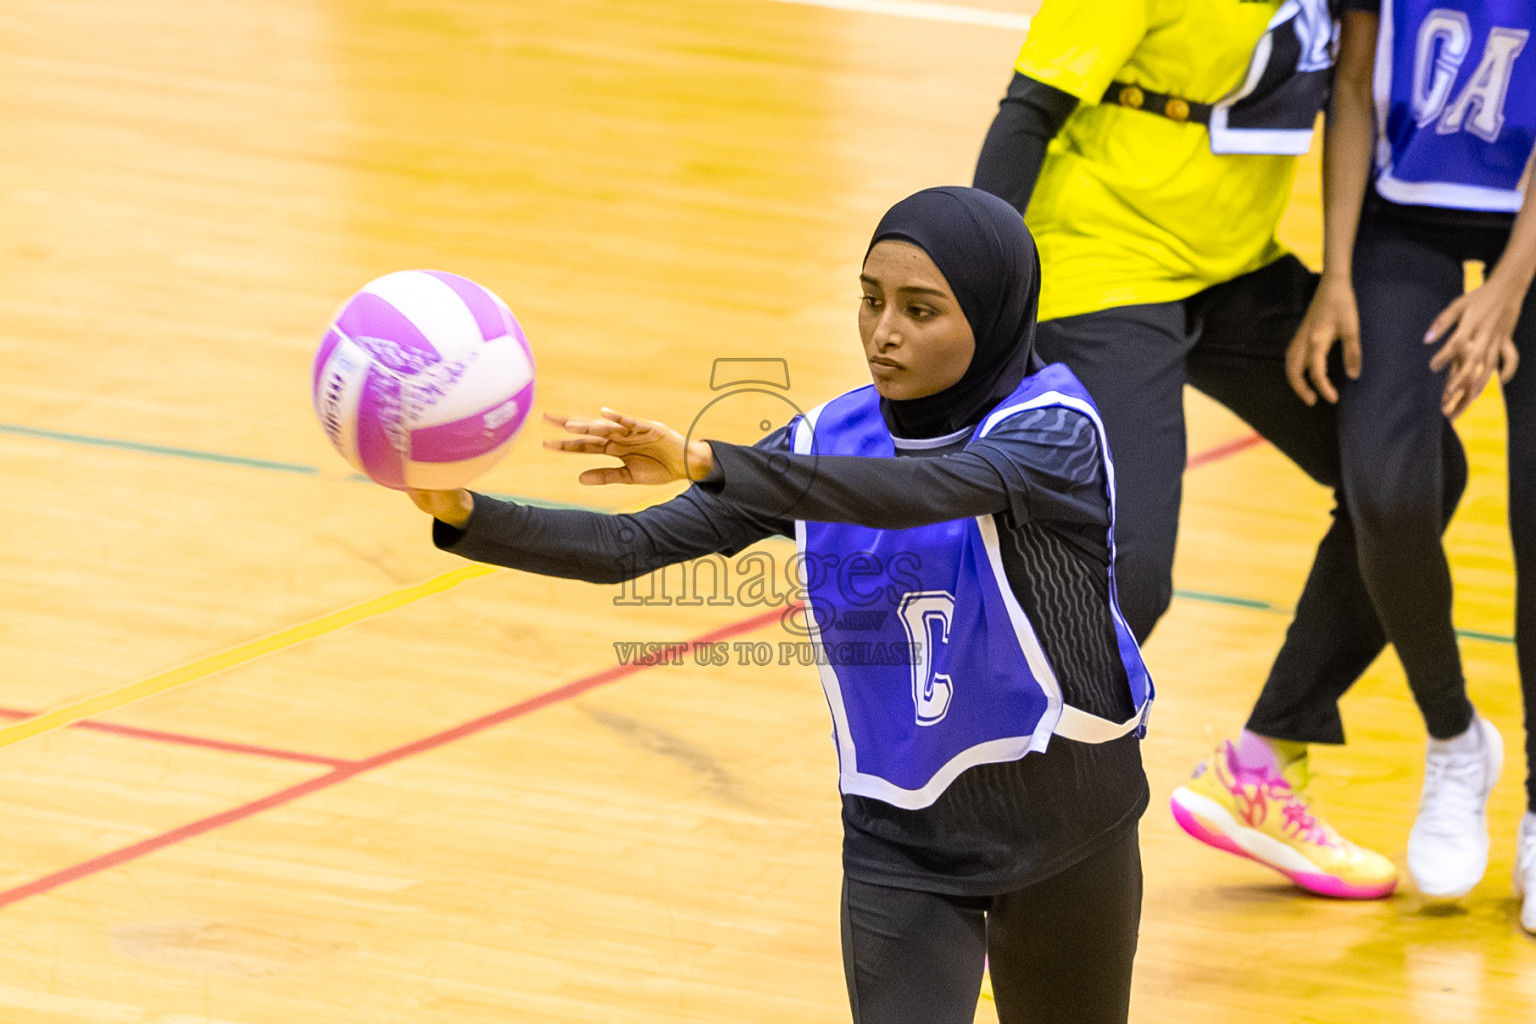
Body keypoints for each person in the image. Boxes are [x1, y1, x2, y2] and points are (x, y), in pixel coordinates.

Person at [410, 186, 1154, 1024]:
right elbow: (631, 549)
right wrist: (468, 516)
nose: (884, 332)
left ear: (994, 312)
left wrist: (711, 459)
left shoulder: (1054, 432)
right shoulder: (823, 443)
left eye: (921, 310)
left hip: (1071, 824)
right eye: (870, 300)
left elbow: (928, 488)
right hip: (904, 835)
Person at [973, 0, 1437, 897]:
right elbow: (1025, 113)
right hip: (1100, 265)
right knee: (1130, 575)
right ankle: (990, 846)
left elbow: (1360, 96)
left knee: (1412, 477)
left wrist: (1343, 279)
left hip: (1234, 271)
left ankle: (1264, 768)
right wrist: (972, 311)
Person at [1185, 0, 1536, 911]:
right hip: (1402, 219)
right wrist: (1336, 273)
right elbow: (1352, 82)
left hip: (1529, 229)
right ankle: (1457, 740)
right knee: (1385, 489)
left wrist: (1508, 288)